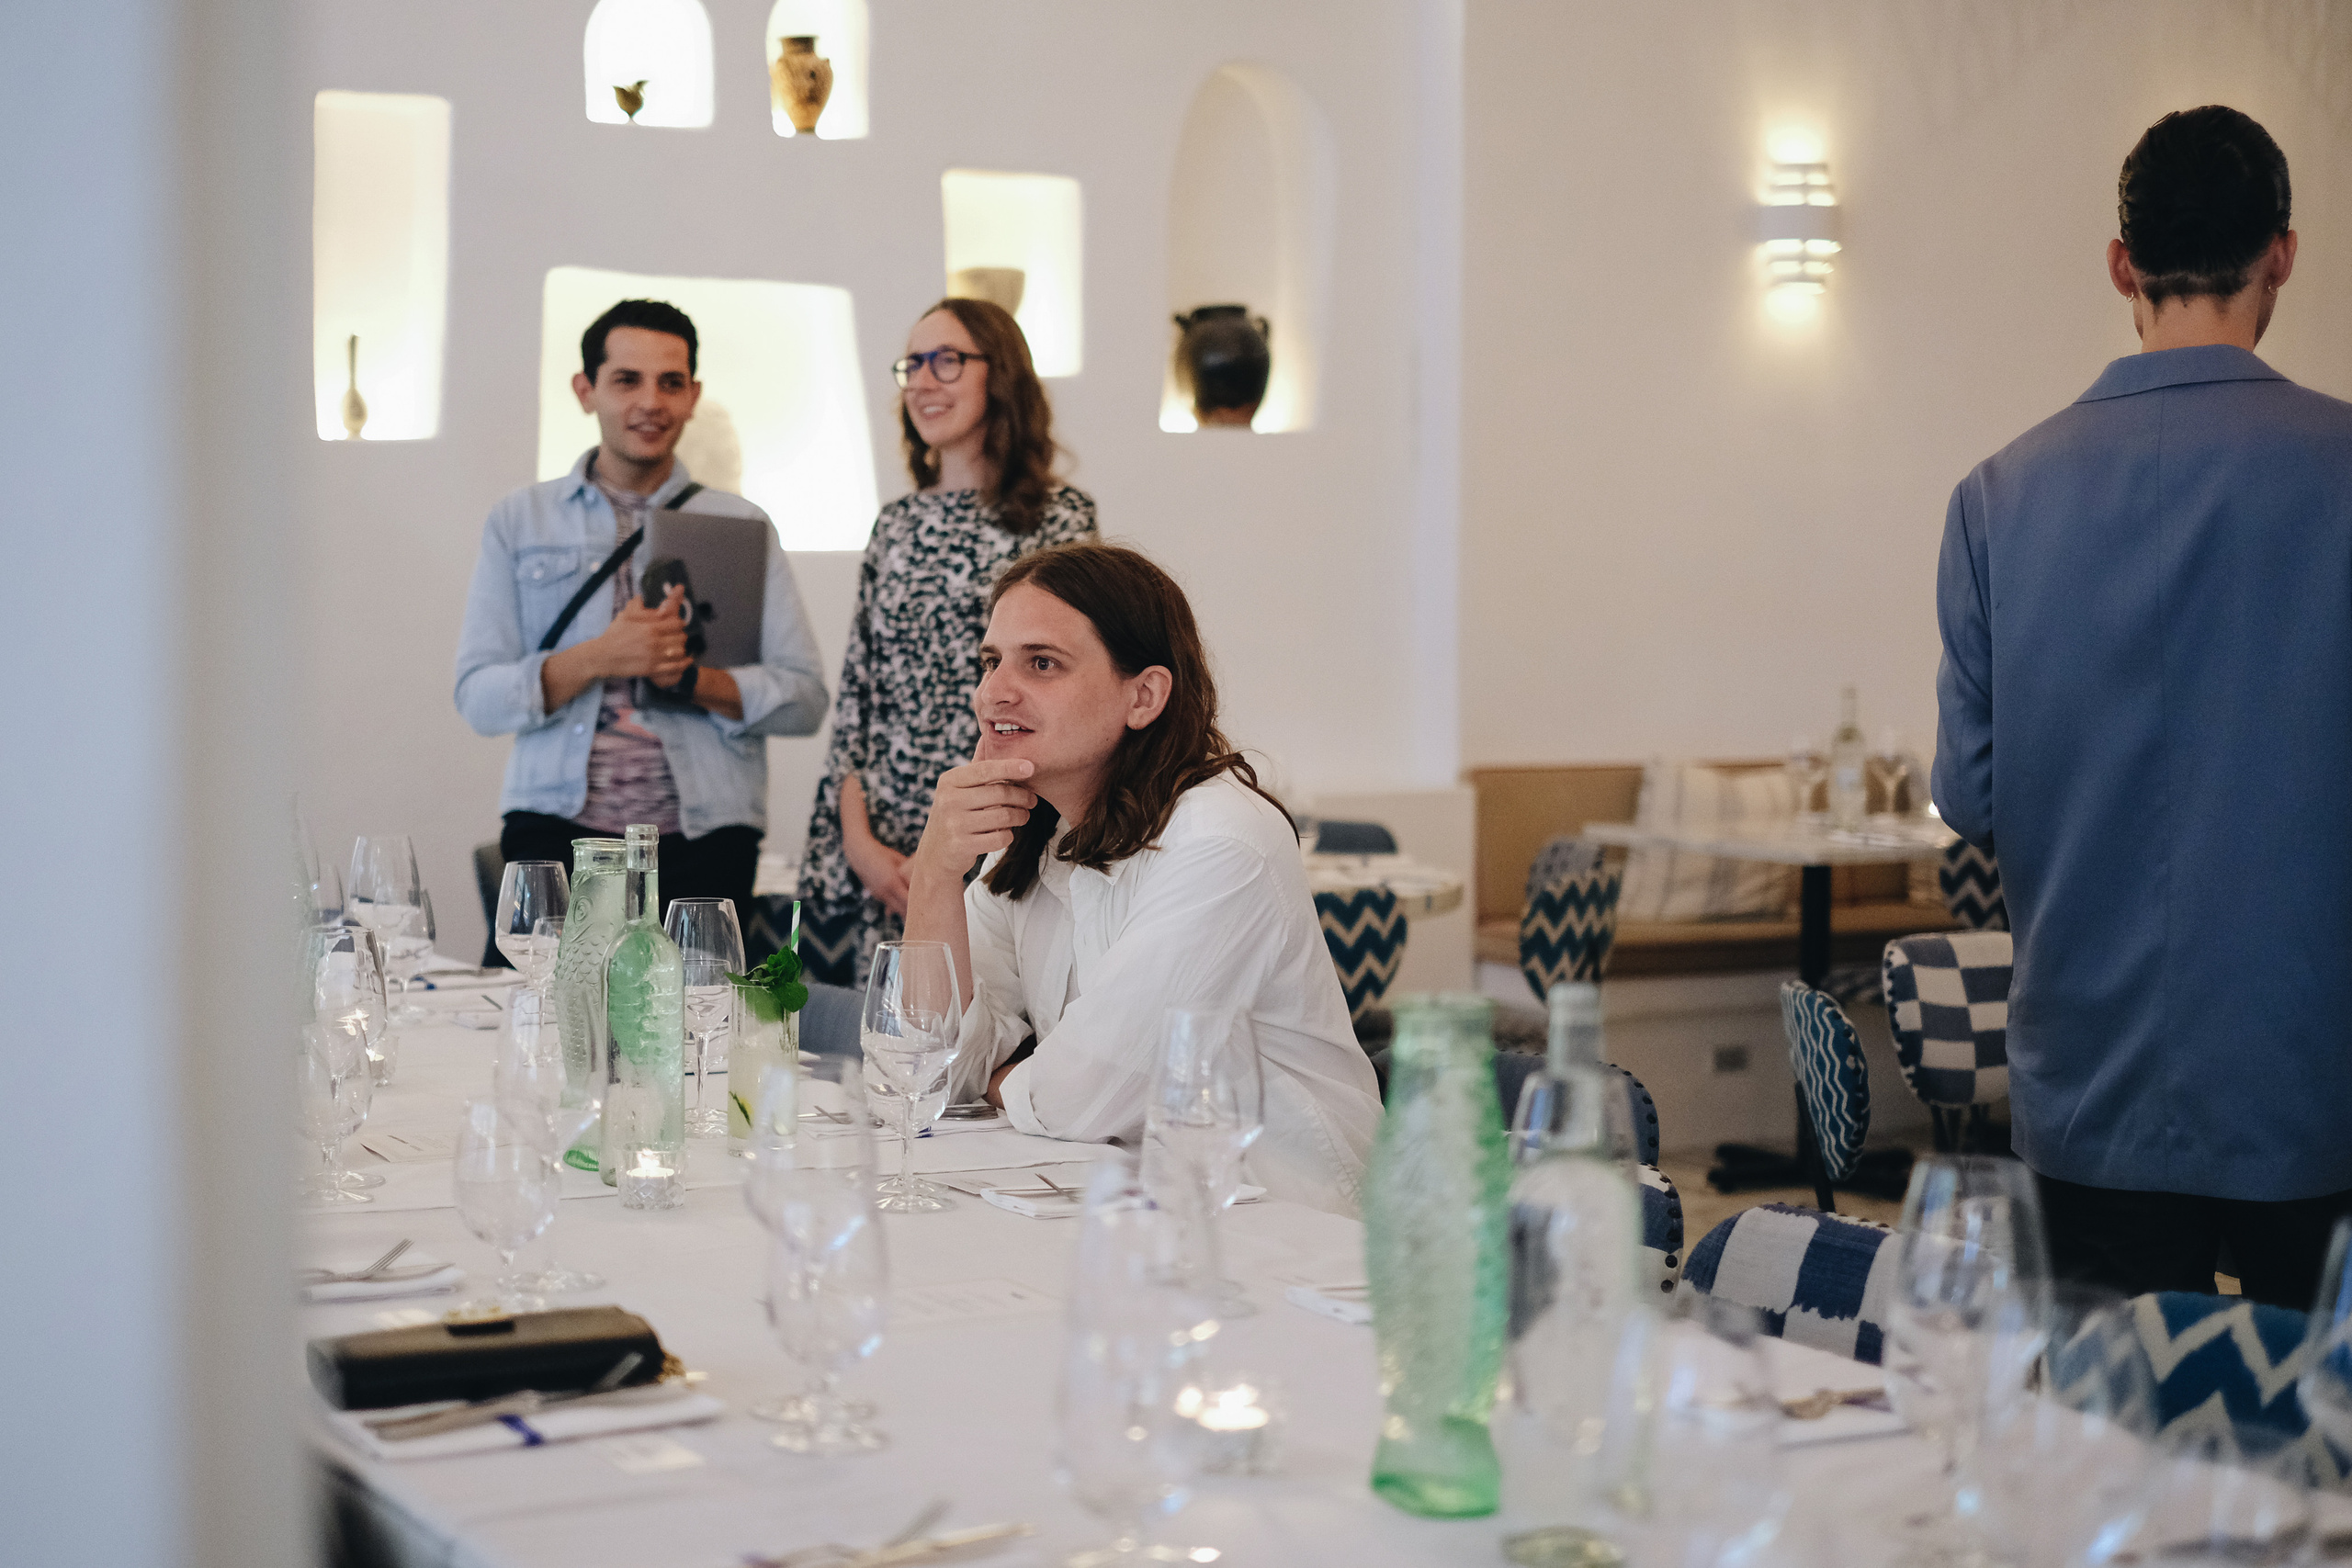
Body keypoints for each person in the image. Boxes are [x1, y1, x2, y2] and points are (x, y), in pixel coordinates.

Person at [1932, 106, 2352, 1307]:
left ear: (2122, 264)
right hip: (2314, 1083)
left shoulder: (1996, 496)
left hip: (2087, 1081)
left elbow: (1967, 794)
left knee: (2105, 1465)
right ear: (2283, 251)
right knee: (2318, 1470)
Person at [903, 542, 1382, 1215]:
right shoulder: (1040, 837)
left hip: (1292, 1224)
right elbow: (926, 1070)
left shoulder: (1222, 841)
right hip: (1130, 1206)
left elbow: (1084, 1093)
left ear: (1145, 695)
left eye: (1041, 663)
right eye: (990, 661)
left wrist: (1001, 1077)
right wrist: (934, 873)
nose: (993, 692)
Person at [455, 299, 829, 953]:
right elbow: (478, 695)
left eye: (670, 382)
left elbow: (804, 699)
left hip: (706, 838)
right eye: (627, 379)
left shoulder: (740, 525)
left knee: (695, 1037)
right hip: (554, 828)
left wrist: (691, 678)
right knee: (539, 1031)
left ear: (693, 396)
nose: (650, 401)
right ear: (586, 390)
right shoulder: (520, 520)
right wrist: (601, 656)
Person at [797, 298, 1096, 987]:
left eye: (947, 361)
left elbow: (1077, 688)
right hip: (887, 846)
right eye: (912, 365)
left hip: (1007, 831)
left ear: (1004, 374)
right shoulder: (895, 524)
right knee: (895, 1049)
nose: (922, 381)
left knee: (983, 1039)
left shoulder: (1063, 519)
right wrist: (862, 844)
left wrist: (976, 840)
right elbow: (857, 696)